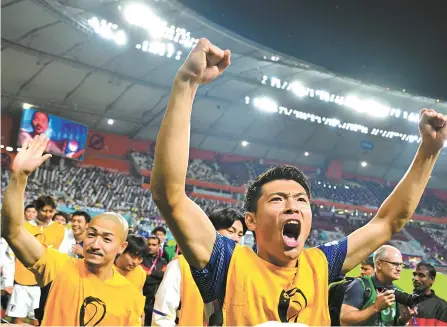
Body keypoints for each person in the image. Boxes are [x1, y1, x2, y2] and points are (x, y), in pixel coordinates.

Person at [150, 38, 447, 326]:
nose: (293, 206)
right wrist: (187, 83)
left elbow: (388, 221)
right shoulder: (226, 263)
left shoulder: (321, 264)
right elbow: (170, 195)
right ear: (250, 220)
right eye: (278, 199)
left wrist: (429, 152)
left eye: (301, 200)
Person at [1, 134, 145, 325]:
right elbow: (13, 232)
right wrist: (19, 177)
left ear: (122, 246)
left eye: (107, 239)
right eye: (91, 235)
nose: (95, 244)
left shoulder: (130, 297)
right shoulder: (58, 266)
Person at [152, 207, 247, 326]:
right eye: (231, 231)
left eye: (240, 234)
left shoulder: (241, 272)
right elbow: (162, 316)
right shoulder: (182, 265)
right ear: (212, 231)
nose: (236, 239)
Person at [6, 195, 65, 325]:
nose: (48, 214)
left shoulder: (60, 229)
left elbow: (63, 256)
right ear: (37, 209)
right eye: (44, 210)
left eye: (51, 211)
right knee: (18, 320)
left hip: (45, 283)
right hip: (22, 281)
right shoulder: (23, 227)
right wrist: (8, 281)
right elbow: (11, 255)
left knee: (38, 320)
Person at [340, 245, 414, 326]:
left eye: (401, 264)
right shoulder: (360, 285)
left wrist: (402, 321)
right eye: (395, 264)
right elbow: (345, 321)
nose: (399, 269)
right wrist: (375, 307)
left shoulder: (398, 291)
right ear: (379, 264)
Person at [142, 235, 168, 326]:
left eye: (154, 245)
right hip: (143, 301)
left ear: (158, 246)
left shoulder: (163, 261)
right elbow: (144, 279)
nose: (150, 247)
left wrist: (151, 273)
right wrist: (158, 276)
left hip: (157, 302)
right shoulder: (141, 259)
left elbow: (165, 278)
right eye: (149, 244)